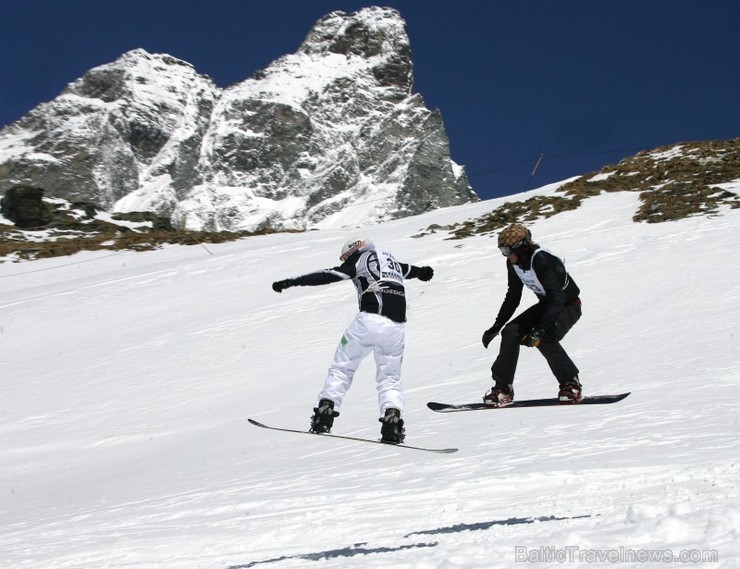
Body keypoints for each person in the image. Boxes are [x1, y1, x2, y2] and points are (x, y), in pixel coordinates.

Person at [272, 237, 434, 444]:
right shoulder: (391, 262)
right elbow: (412, 270)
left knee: (342, 368)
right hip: (396, 328)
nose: (345, 261)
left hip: (367, 322)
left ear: (354, 250)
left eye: (346, 257)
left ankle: (325, 414)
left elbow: (328, 275)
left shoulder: (360, 260)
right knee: (390, 379)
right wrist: (424, 272)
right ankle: (392, 423)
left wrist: (293, 281)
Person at [481, 224, 582, 406]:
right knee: (510, 332)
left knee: (545, 337)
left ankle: (570, 384)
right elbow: (513, 297)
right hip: (547, 305)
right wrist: (496, 327)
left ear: (521, 247)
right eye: (502, 250)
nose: (505, 255)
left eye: (507, 250)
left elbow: (557, 299)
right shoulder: (513, 263)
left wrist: (540, 329)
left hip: (567, 306)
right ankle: (503, 388)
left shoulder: (542, 260)